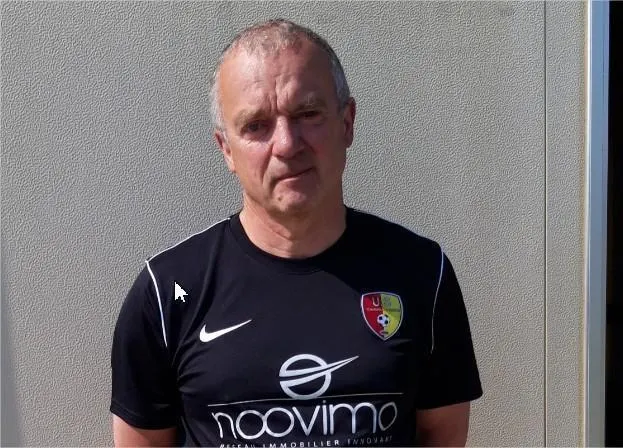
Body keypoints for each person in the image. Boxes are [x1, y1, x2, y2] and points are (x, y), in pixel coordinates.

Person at [110, 19, 482, 447]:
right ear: (226, 149)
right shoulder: (166, 291)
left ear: (347, 122)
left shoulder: (423, 273)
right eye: (256, 125)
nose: (287, 144)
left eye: (307, 114)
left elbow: (441, 432)